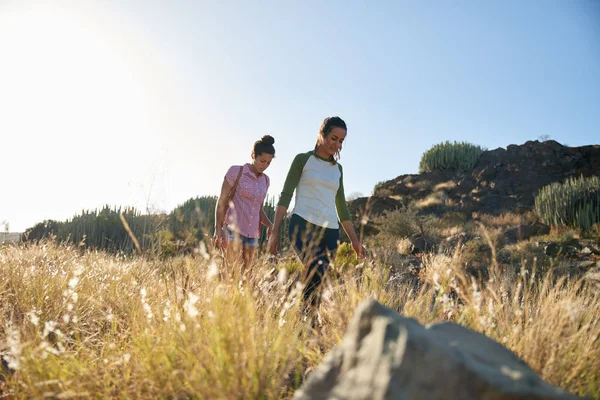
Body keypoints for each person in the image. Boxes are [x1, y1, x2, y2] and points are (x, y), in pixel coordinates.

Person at [268, 116, 365, 313]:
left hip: (330, 232)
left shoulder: (338, 170)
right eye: (333, 138)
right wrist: (275, 230)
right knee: (315, 269)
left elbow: (342, 207)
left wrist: (354, 241)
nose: (336, 144)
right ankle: (294, 309)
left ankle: (305, 325)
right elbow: (286, 195)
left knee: (318, 280)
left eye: (341, 141)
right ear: (322, 134)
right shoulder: (303, 160)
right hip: (302, 224)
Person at [213, 135, 275, 274]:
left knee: (246, 276)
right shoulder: (236, 172)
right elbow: (222, 201)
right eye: (262, 161)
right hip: (232, 230)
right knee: (231, 273)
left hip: (252, 235)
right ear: (253, 155)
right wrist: (217, 228)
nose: (264, 166)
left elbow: (259, 209)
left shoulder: (266, 180)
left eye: (268, 163)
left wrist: (270, 225)